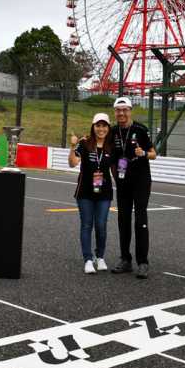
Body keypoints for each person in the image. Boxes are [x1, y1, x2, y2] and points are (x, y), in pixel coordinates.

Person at [109, 96, 157, 279]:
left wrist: (143, 153)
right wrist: (115, 177)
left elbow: (154, 154)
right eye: (118, 110)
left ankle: (143, 262)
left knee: (140, 221)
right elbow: (111, 158)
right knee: (123, 220)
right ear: (115, 112)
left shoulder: (140, 130)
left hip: (141, 181)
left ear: (130, 111)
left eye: (125, 110)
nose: (121, 113)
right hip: (122, 182)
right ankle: (125, 260)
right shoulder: (113, 132)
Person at [68, 113, 114, 275]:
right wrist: (72, 146)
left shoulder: (112, 145)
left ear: (108, 128)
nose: (101, 129)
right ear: (93, 127)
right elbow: (73, 163)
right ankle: (88, 259)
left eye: (104, 126)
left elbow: (119, 167)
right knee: (87, 224)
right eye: (98, 125)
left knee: (101, 225)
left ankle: (100, 257)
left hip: (104, 192)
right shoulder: (85, 143)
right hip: (85, 191)